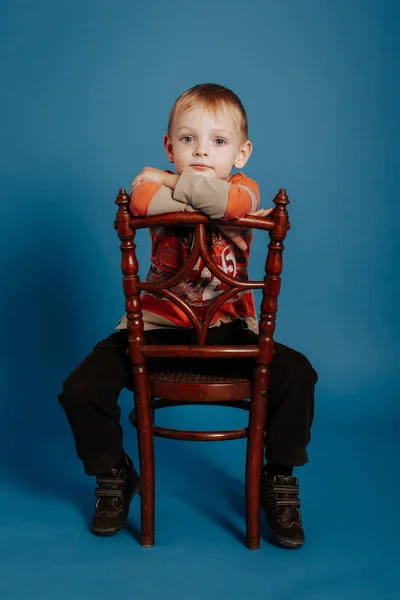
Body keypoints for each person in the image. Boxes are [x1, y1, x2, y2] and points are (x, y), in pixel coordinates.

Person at [59, 83, 317, 549]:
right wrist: (176, 194)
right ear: (168, 145)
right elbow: (141, 204)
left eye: (218, 142)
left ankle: (278, 478)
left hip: (228, 331)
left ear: (242, 153)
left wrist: (169, 181)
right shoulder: (149, 189)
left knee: (297, 374)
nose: (201, 152)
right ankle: (115, 474)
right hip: (155, 330)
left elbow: (227, 204)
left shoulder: (244, 189)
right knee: (80, 389)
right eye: (187, 140)